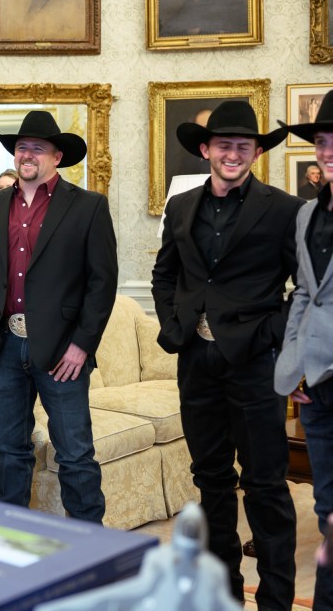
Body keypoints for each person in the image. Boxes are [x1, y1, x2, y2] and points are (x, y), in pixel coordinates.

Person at [152, 100, 299, 611]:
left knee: (265, 486)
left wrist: (271, 335)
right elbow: (165, 274)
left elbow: (306, 288)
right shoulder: (182, 205)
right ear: (205, 149)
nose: (232, 153)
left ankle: (276, 599)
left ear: (256, 153)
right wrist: (175, 327)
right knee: (211, 480)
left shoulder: (284, 209)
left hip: (256, 365)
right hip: (197, 362)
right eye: (223, 145)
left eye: (243, 146)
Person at [0, 110, 118, 523]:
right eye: (21, 147)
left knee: (74, 452)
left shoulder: (88, 206)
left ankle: (91, 548)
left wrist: (82, 345)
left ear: (57, 155)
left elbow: (101, 284)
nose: (26, 154)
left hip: (62, 350)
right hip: (2, 347)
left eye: (37, 147)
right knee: (10, 449)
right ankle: (11, 540)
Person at [276, 89, 333, 611]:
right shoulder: (306, 216)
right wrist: (292, 370)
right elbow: (303, 296)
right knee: (328, 507)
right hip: (315, 385)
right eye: (322, 139)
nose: (329, 149)